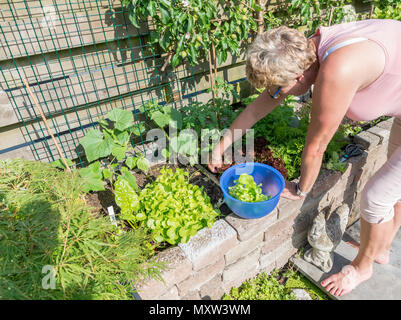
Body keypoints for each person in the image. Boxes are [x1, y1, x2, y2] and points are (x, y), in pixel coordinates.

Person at [208, 19, 401, 297]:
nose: (274, 95)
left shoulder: (338, 70)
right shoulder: (302, 51)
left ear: (299, 78)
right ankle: (380, 248)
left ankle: (362, 267)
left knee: (375, 198)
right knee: (394, 188)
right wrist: (223, 143)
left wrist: (302, 188)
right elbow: (258, 107)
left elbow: (316, 145)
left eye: (277, 88)